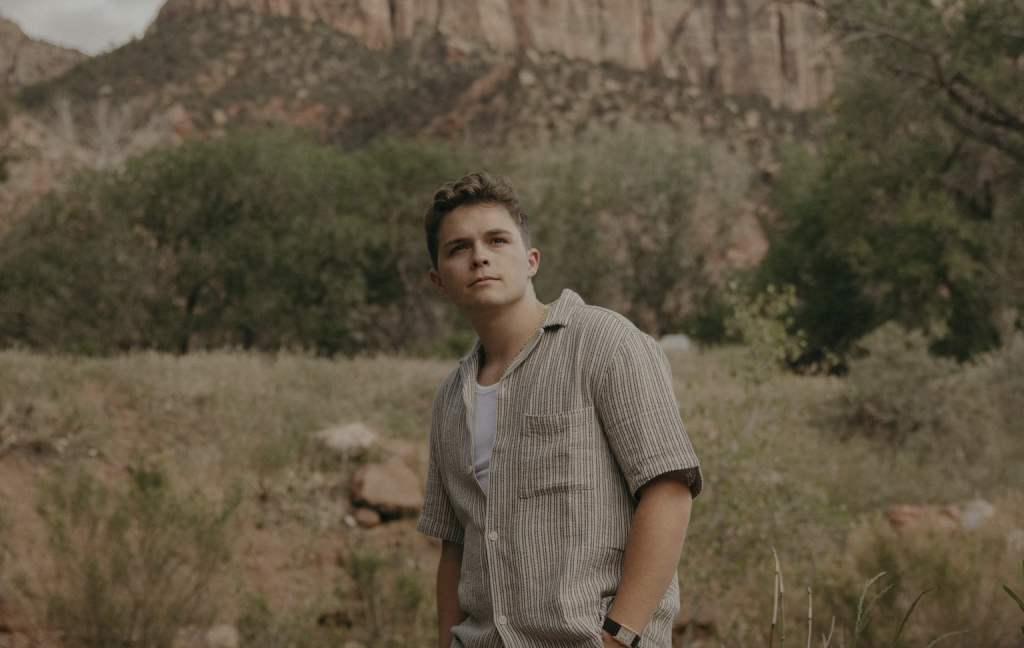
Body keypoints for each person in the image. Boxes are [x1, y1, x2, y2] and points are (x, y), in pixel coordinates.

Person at [416, 172, 702, 648]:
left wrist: (618, 638)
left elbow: (669, 492)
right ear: (438, 280)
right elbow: (456, 545)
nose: (480, 256)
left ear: (531, 260)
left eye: (497, 240)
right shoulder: (450, 398)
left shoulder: (605, 342)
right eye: (458, 248)